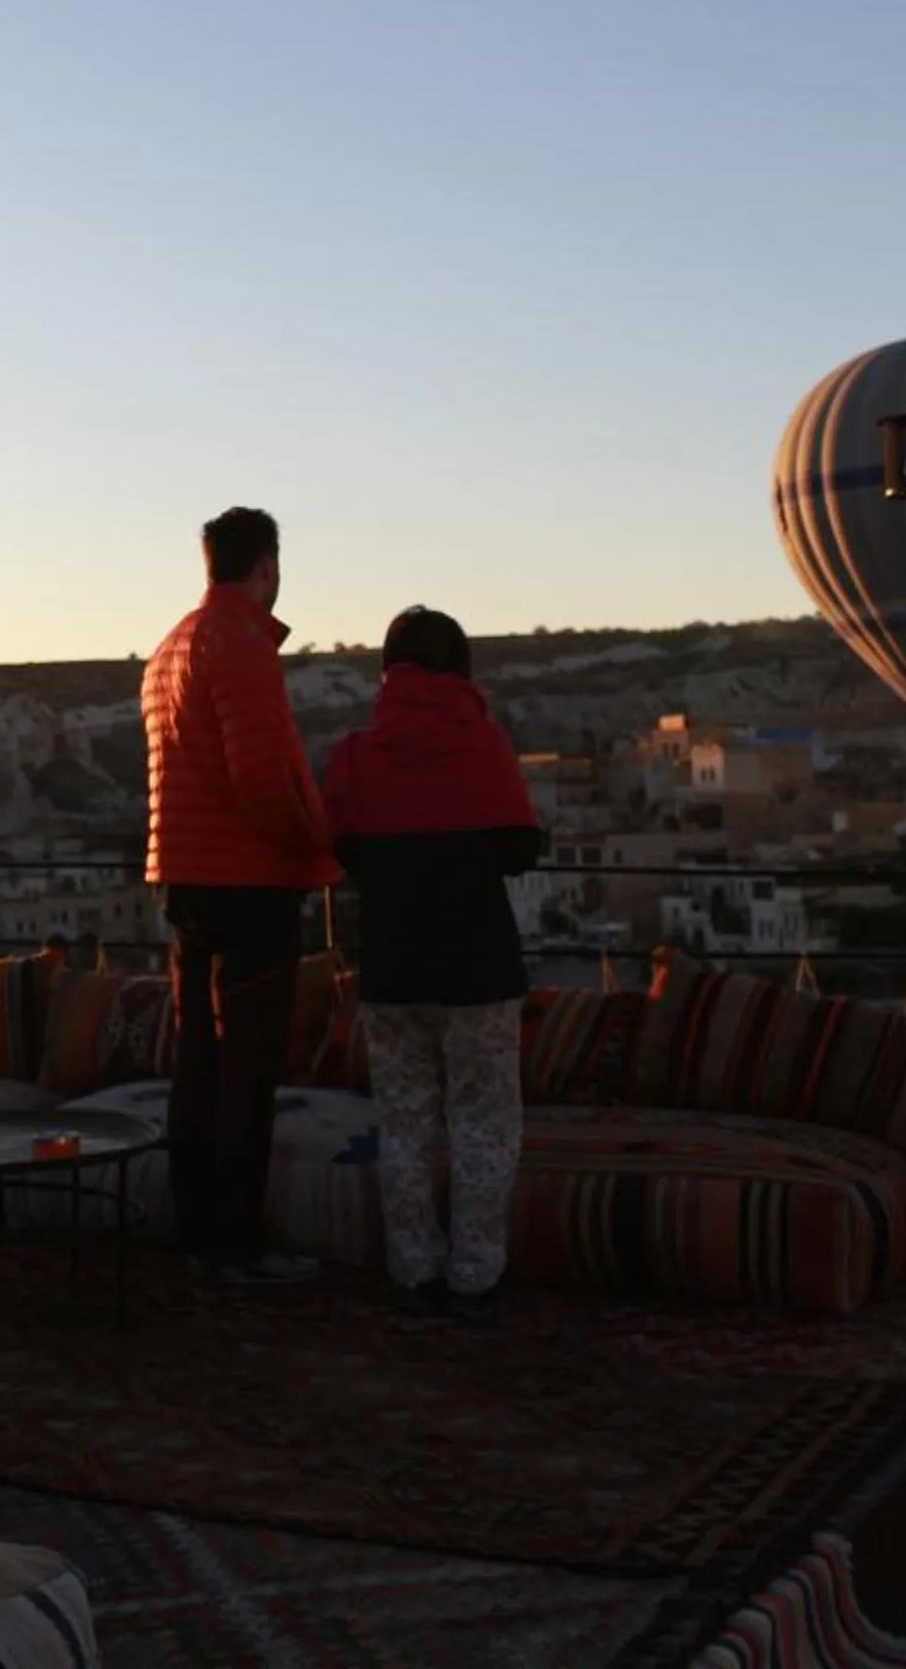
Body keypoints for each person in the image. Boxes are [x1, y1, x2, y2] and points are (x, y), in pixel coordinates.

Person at [320, 606, 543, 1310]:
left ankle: (414, 1267)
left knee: (405, 1121)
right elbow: (519, 849)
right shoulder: (484, 743)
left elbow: (340, 848)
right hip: (479, 968)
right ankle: (476, 1272)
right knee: (484, 1123)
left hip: (393, 966)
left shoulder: (354, 754)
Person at [142, 507, 341, 1284]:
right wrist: (318, 844)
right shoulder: (242, 644)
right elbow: (260, 776)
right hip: (249, 884)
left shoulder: (171, 648)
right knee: (247, 1070)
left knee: (198, 1062)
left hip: (186, 877)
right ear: (267, 566)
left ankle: (198, 1231)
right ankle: (237, 1243)